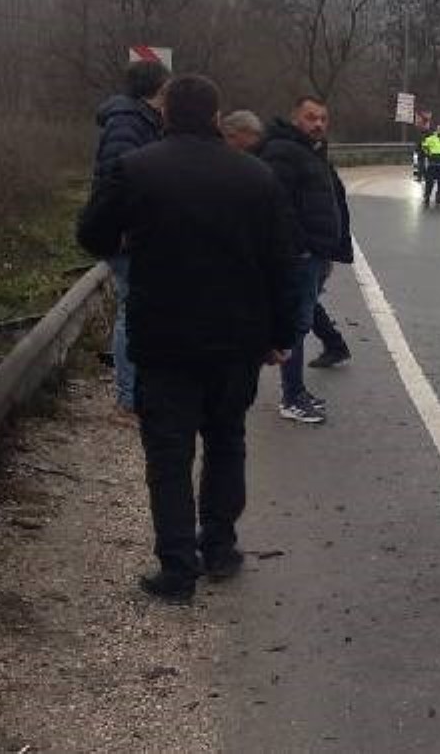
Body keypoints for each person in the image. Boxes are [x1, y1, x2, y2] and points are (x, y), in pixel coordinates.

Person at [76, 74, 297, 601]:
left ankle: (177, 569)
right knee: (226, 441)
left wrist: (132, 235)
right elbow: (281, 264)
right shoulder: (257, 177)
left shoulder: (137, 169)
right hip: (236, 340)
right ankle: (219, 548)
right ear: (217, 117)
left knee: (168, 455)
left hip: (164, 338)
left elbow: (92, 235)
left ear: (166, 113)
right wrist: (281, 334)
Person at [92, 59, 171, 416]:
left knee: (140, 309)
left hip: (135, 233)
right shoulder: (128, 123)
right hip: (128, 236)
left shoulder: (140, 119)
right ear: (157, 89)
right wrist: (125, 229)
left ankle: (137, 388)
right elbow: (120, 180)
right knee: (133, 311)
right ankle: (129, 396)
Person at [258, 96, 340, 424]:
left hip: (314, 252)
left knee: (301, 323)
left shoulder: (311, 150)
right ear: (295, 118)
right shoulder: (284, 151)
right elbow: (278, 204)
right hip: (300, 255)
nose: (318, 124)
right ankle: (291, 397)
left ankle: (297, 391)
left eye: (323, 118)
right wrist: (301, 246)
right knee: (295, 325)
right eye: (310, 117)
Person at [307, 157, 353, 369]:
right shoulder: (319, 164)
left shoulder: (315, 167)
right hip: (320, 247)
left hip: (313, 248)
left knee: (302, 302)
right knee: (306, 302)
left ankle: (335, 345)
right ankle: (334, 345)